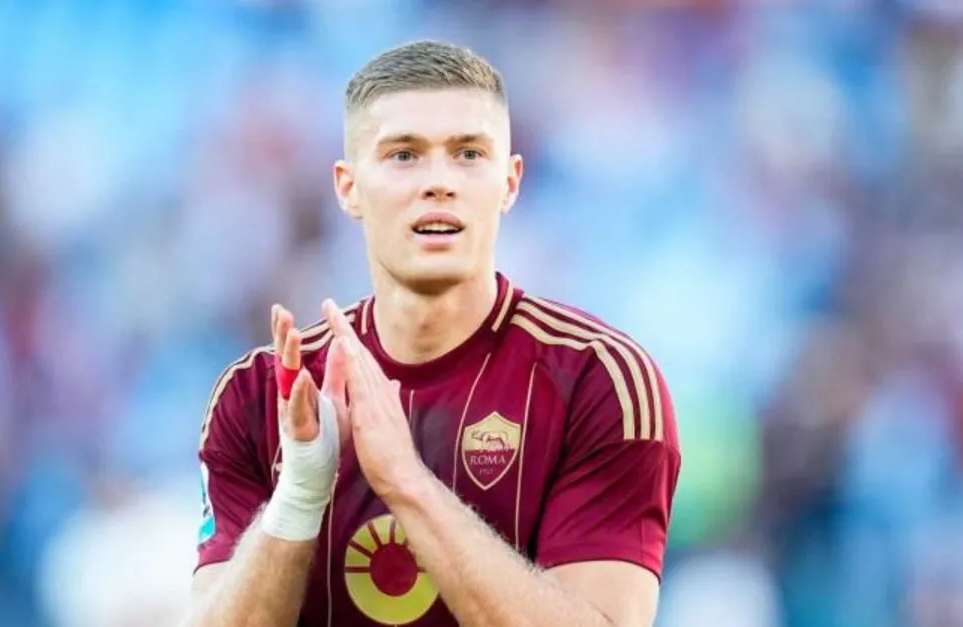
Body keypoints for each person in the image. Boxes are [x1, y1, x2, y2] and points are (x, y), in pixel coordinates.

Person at [184, 40, 681, 627]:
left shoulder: (601, 382)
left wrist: (405, 481)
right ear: (347, 187)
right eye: (404, 155)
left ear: (510, 182)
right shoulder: (259, 394)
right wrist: (299, 496)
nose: (439, 182)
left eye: (469, 154)